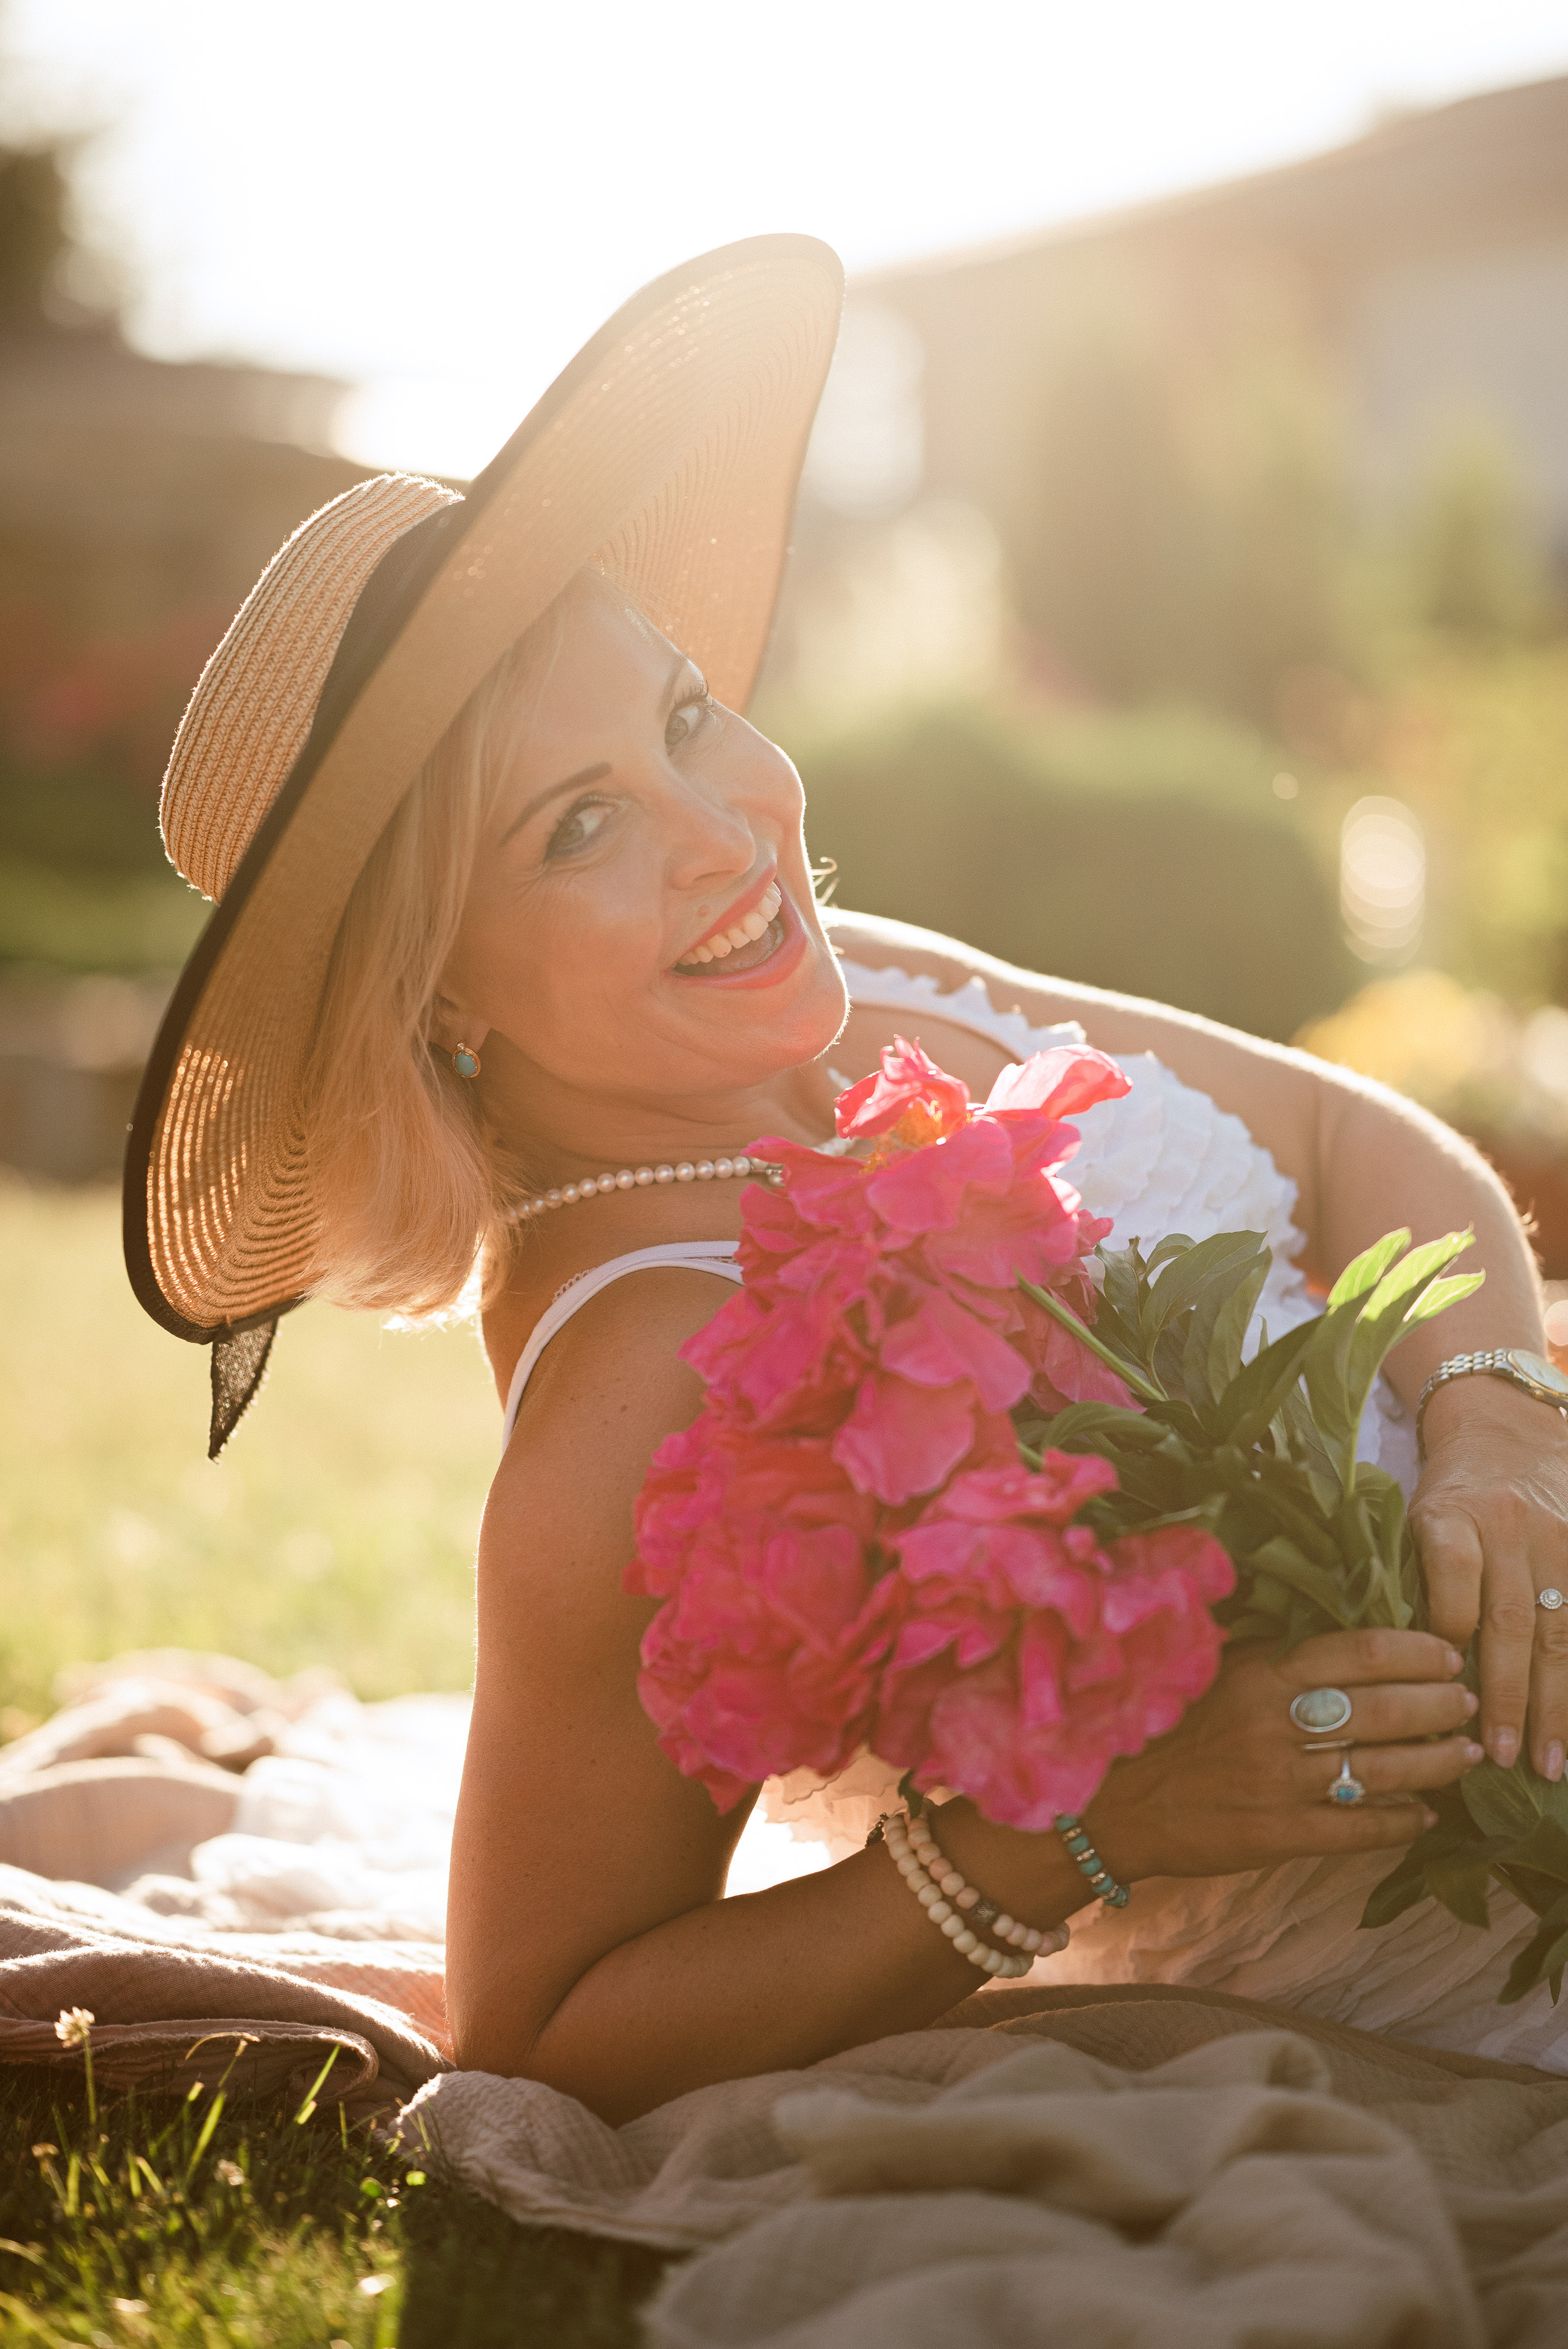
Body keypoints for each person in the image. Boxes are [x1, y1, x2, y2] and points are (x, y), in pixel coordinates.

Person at [127, 238, 1568, 2124]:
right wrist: (1089, 1824)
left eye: (681, 716)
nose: (727, 832)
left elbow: (1345, 1134)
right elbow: (545, 2024)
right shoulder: (636, 1376)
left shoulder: (863, 971)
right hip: (1454, 1943)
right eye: (581, 828)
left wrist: (1497, 1428)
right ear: (440, 988)